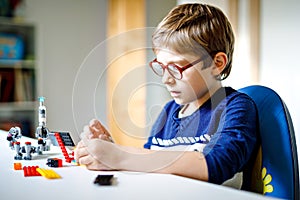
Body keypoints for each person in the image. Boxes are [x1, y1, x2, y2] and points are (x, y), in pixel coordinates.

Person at [74, 3, 257, 188]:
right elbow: (150, 164)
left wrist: (120, 155)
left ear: (217, 63)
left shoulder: (235, 107)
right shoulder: (169, 112)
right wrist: (110, 153)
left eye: (176, 68)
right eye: (161, 67)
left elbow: (218, 165)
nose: (166, 79)